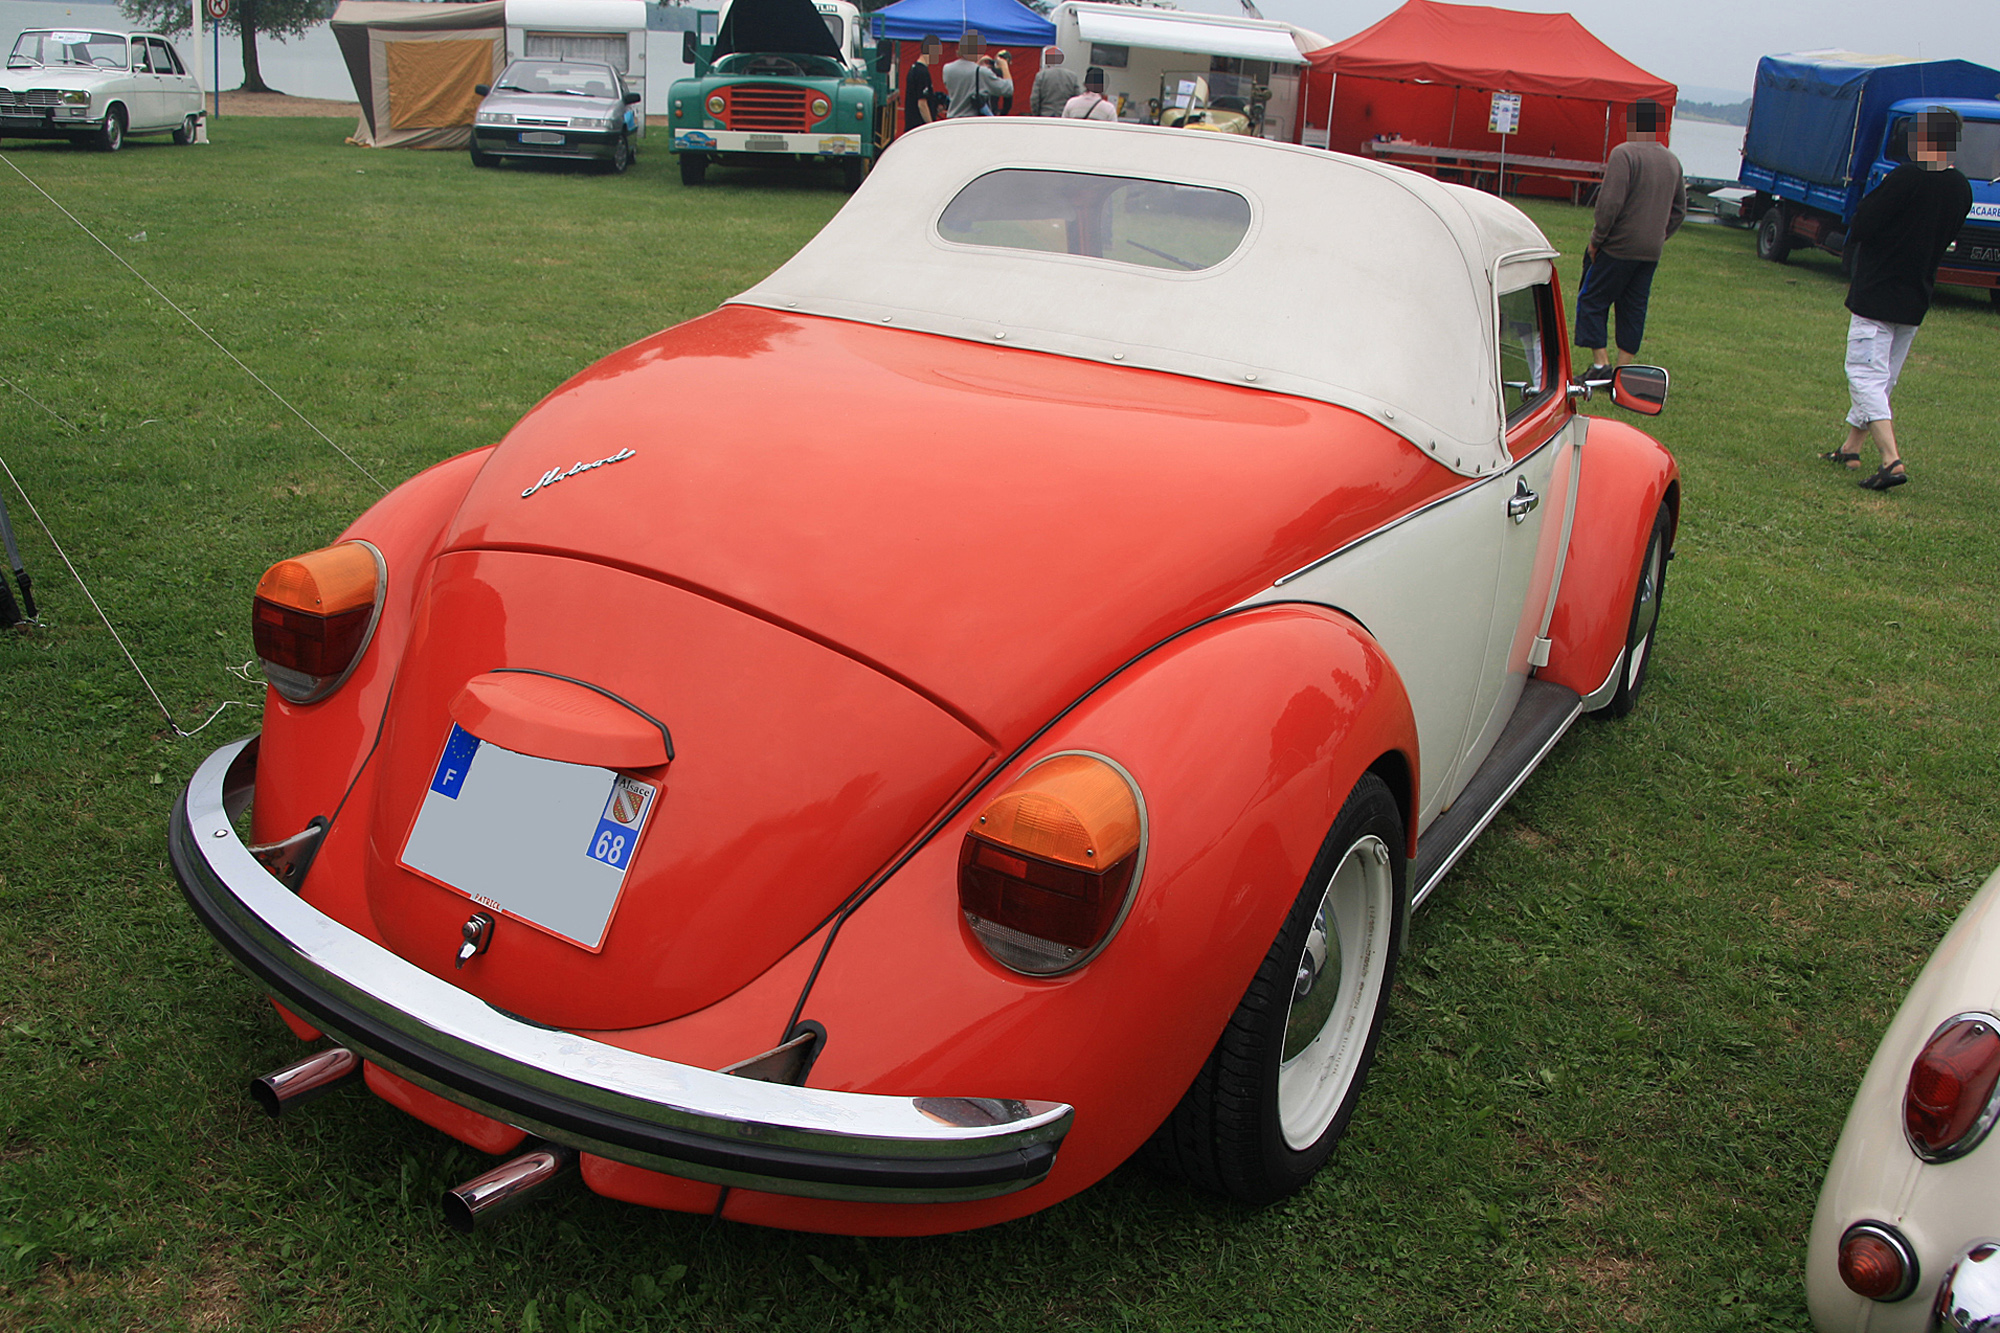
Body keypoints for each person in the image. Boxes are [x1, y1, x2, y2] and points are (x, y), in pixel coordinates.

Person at [1820, 107, 1974, 491]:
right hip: (1916, 294)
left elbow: (1864, 222)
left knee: (1864, 375)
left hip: (1878, 293)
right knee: (1882, 378)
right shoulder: (1962, 188)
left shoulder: (1904, 178)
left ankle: (1891, 460)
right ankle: (1850, 448)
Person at [1573, 99, 1686, 385]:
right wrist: (1659, 235)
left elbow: (1609, 203)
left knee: (1592, 298)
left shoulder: (1624, 154)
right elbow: (1679, 210)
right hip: (1650, 251)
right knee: (1633, 306)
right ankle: (1624, 371)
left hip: (1618, 245)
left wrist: (1597, 239)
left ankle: (1601, 363)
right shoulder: (1672, 161)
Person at [942, 32, 1010, 119]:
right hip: (972, 120)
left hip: (953, 119)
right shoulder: (982, 72)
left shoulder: (947, 68)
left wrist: (977, 64)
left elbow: (965, 77)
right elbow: (1008, 89)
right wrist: (1004, 66)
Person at [904, 36, 943, 133]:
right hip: (918, 127)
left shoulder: (914, 68)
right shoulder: (922, 72)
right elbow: (922, 104)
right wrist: (930, 126)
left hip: (911, 126)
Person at [1028, 46, 1080, 117]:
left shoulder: (1041, 75)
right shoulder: (1072, 76)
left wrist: (1036, 114)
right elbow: (1076, 99)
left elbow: (1034, 99)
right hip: (1064, 117)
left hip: (1045, 115)